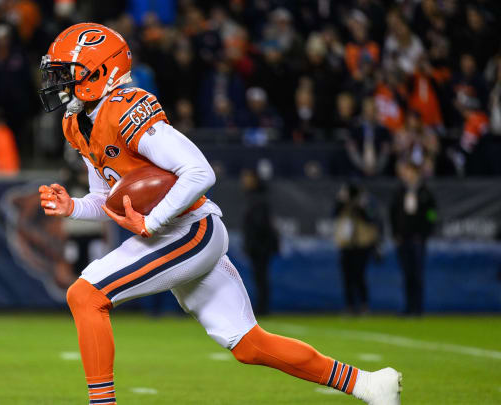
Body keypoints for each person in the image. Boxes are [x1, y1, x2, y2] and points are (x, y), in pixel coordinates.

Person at [37, 23, 401, 405]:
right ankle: (369, 385)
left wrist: (154, 221)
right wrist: (73, 207)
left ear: (100, 71)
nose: (60, 84)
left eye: (68, 74)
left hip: (190, 230)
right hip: (172, 234)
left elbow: (199, 172)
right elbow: (109, 200)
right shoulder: (76, 123)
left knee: (86, 295)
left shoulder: (125, 109)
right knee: (249, 345)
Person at [389, 161, 437, 316]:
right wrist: (396, 234)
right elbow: (393, 214)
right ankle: (408, 307)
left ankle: (418, 307)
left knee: (417, 275)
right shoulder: (400, 192)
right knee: (407, 274)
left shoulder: (425, 192)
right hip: (403, 239)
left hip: (418, 240)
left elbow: (432, 214)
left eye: (410, 171)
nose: (407, 175)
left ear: (416, 173)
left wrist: (424, 234)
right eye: (406, 171)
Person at [333, 182, 381, 314]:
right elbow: (334, 213)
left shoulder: (366, 201)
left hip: (362, 244)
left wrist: (362, 206)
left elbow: (371, 218)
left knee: (360, 276)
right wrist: (341, 200)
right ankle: (349, 305)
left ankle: (364, 305)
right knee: (347, 277)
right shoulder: (343, 203)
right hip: (346, 244)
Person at [241, 170, 278, 315]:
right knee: (260, 277)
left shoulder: (258, 199)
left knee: (261, 277)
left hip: (261, 247)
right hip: (258, 246)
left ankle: (263, 308)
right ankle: (262, 306)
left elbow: (261, 225)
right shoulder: (253, 198)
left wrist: (255, 245)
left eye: (247, 178)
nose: (244, 181)